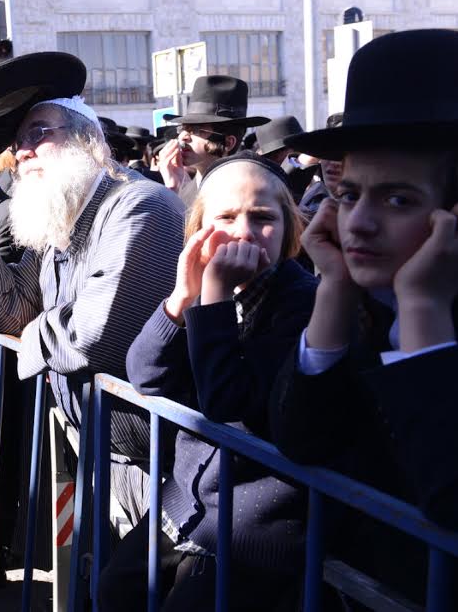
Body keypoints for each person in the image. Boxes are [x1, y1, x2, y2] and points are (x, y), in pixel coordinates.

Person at [0, 52, 184, 530]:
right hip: (101, 450)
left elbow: (93, 335)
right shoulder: (61, 224)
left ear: (88, 141)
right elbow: (8, 312)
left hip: (162, 468)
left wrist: (32, 339)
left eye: (39, 134)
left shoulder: (140, 207)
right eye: (18, 142)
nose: (23, 151)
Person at [268, 29, 458, 606]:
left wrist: (424, 310)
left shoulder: (418, 296)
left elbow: (454, 499)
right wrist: (334, 287)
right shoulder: (367, 296)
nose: (357, 224)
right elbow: (301, 438)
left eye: (399, 199)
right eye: (350, 194)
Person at [99, 152, 316, 611]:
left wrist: (213, 295)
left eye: (262, 218)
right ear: (199, 227)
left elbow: (228, 400)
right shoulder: (206, 289)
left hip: (253, 529)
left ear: (290, 228)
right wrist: (182, 297)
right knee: (114, 590)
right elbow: (145, 373)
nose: (243, 232)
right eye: (226, 217)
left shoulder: (302, 303)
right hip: (185, 504)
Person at [157, 76, 269, 202]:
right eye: (182, 129)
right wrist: (175, 189)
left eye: (196, 130)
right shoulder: (183, 190)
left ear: (228, 143)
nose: (182, 137)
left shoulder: (246, 193)